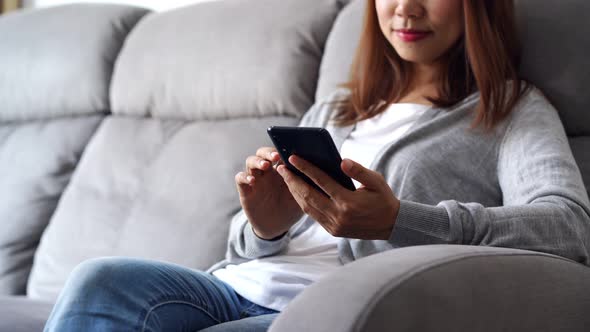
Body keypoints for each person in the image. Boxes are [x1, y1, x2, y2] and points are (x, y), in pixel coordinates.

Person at [44, 0, 590, 331]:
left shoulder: (510, 108)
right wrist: (265, 224)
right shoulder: (336, 107)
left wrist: (400, 219)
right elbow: (244, 246)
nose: (406, 9)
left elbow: (568, 228)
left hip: (328, 306)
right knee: (101, 280)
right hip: (234, 287)